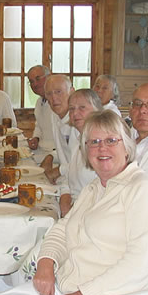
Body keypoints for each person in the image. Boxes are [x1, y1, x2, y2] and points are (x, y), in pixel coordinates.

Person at [0, 110, 148, 295]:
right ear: (85, 151)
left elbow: (140, 263)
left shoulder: (143, 189)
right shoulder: (95, 187)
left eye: (111, 140)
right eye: (94, 142)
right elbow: (63, 228)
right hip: (73, 285)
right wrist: (46, 261)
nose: (102, 148)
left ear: (127, 146)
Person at [57, 89, 102, 217]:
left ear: (97, 110)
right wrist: (65, 200)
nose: (75, 113)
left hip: (91, 214)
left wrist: (73, 212)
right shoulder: (78, 141)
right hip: (73, 209)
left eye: (82, 107)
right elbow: (68, 178)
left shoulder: (103, 147)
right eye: (71, 109)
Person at [40, 75, 74, 183]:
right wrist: (51, 156)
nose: (54, 98)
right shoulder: (54, 115)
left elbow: (84, 163)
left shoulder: (79, 119)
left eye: (58, 92)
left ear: (72, 92)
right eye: (49, 94)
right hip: (66, 182)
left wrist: (59, 171)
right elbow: (66, 152)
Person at [26, 65, 55, 154]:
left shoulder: (59, 102)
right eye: (31, 81)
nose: (35, 84)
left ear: (49, 77)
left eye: (38, 79)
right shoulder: (39, 102)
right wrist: (36, 138)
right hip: (41, 149)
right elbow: (39, 125)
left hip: (54, 153)